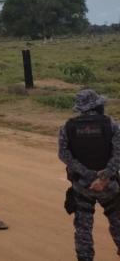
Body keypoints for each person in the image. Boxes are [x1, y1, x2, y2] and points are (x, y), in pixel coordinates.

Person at [59, 89, 120, 261]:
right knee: (117, 221)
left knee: (83, 228)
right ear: (97, 105)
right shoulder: (111, 124)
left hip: (82, 186)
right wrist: (104, 176)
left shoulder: (67, 127)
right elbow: (118, 153)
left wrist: (87, 174)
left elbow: (63, 154)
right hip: (109, 185)